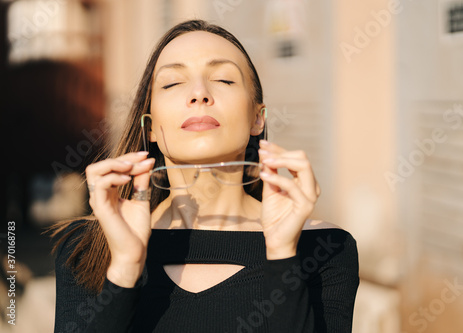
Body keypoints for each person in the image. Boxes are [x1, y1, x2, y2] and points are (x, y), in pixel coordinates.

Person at [51, 19, 359, 333]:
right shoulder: (90, 245)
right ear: (150, 127)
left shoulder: (323, 247)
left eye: (224, 79)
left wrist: (281, 254)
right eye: (172, 83)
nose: (199, 93)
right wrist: (125, 269)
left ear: (257, 118)